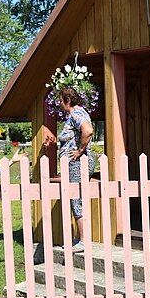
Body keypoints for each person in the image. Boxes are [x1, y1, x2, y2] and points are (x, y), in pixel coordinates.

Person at [57, 86, 95, 252]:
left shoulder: (76, 113)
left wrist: (79, 151)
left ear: (68, 100)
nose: (59, 103)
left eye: (60, 100)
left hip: (78, 164)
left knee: (76, 199)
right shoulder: (79, 112)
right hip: (76, 164)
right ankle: (80, 238)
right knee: (77, 198)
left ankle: (84, 241)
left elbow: (88, 130)